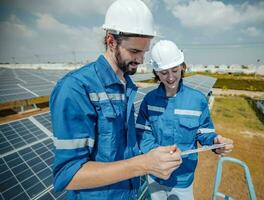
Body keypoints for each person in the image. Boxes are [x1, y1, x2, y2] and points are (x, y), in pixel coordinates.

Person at [50, 1, 182, 199]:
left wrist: (155, 155)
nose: (141, 60)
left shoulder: (126, 85)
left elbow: (122, 147)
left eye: (144, 52)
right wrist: (144, 164)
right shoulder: (76, 88)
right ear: (111, 41)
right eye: (135, 52)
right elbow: (68, 175)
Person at [136, 40, 234, 200]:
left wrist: (216, 141)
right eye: (163, 73)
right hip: (155, 175)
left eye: (174, 70)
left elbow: (205, 133)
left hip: (183, 179)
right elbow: (143, 134)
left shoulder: (197, 100)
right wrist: (157, 154)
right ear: (156, 73)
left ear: (182, 66)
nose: (170, 77)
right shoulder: (149, 100)